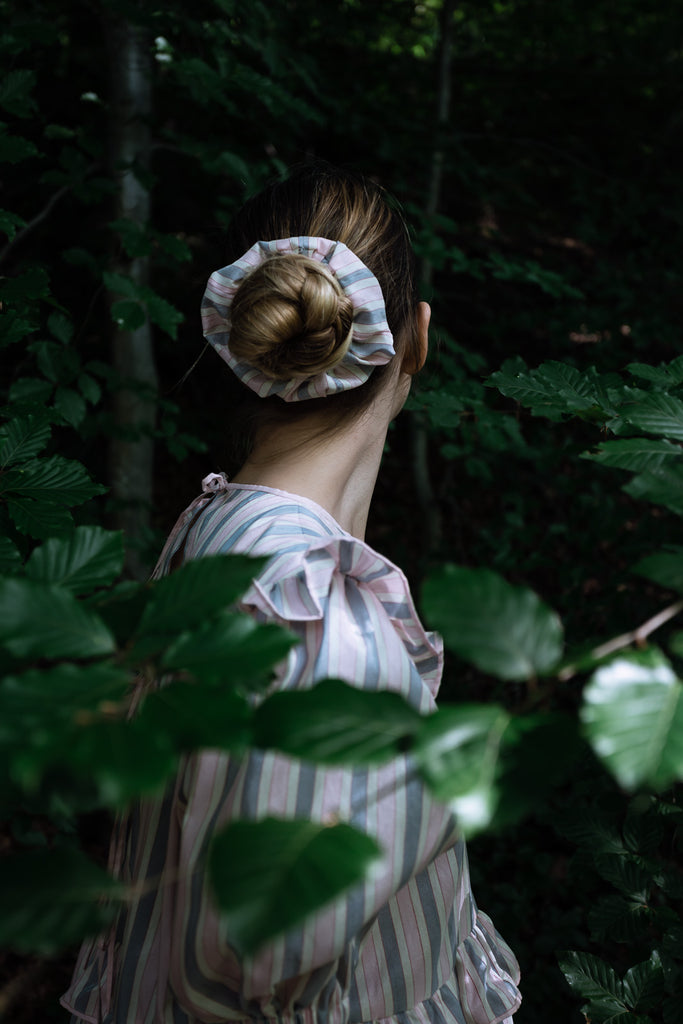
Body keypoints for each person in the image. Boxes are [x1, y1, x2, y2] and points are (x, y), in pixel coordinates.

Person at [62, 164, 521, 1024]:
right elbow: (256, 971)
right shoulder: (317, 620)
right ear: (416, 336)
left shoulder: (218, 533)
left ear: (243, 340)